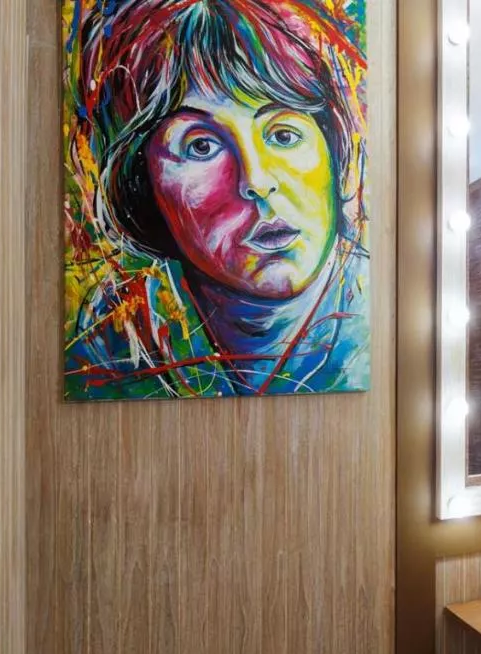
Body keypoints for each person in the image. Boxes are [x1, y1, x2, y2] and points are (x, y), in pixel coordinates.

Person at [63, 0, 368, 399]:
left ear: (336, 153)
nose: (256, 181)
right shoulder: (113, 342)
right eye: (201, 146)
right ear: (141, 183)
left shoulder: (382, 317)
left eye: (283, 135)